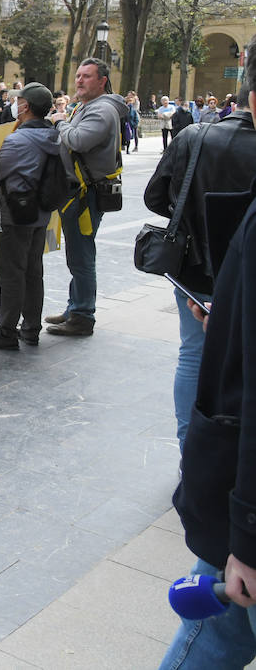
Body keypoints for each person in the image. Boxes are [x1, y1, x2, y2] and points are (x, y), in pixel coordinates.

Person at [162, 53, 256, 668]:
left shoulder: (196, 135)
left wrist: (246, 533)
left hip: (241, 503)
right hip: (218, 290)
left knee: (192, 362)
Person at [144, 64, 256, 447]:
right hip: (240, 274)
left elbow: (156, 197)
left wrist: (192, 212)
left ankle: (191, 452)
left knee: (192, 354)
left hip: (196, 269)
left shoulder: (196, 136)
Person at [46, 58, 128, 337]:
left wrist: (59, 123)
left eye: (87, 76)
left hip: (86, 194)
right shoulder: (88, 106)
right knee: (78, 253)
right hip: (82, 192)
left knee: (81, 256)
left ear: (102, 80)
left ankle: (82, 316)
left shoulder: (102, 110)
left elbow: (78, 140)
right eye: (78, 75)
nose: (79, 80)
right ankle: (76, 306)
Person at [0, 83, 59, 352]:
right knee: (34, 271)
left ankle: (6, 330)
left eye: (19, 101)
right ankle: (31, 328)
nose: (16, 104)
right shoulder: (54, 135)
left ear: (25, 107)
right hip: (41, 214)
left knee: (11, 274)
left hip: (15, 214)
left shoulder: (19, 139)